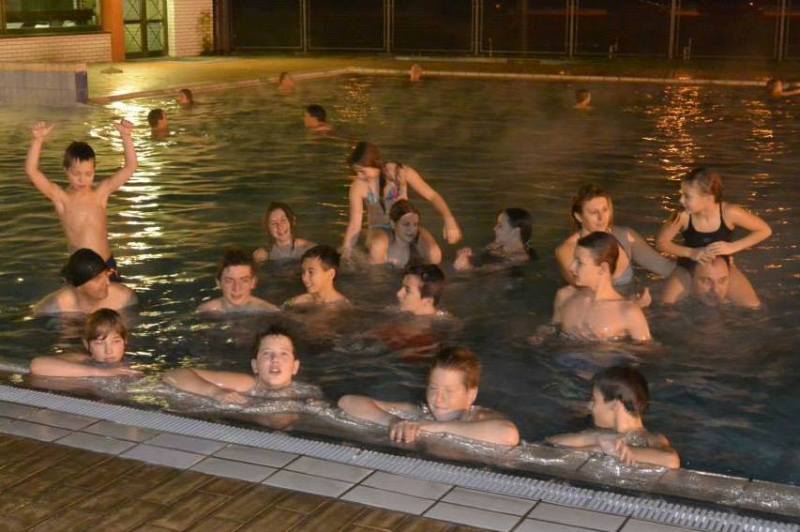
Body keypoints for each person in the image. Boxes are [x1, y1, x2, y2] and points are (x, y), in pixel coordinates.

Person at [338, 346, 519, 446]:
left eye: (449, 391)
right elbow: (347, 402)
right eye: (433, 388)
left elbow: (508, 435)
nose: (438, 399)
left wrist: (434, 427)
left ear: (471, 394)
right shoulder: (418, 413)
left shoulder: (478, 418)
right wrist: (394, 422)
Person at [24, 120, 137, 272]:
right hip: (79, 270)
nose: (82, 179)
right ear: (66, 170)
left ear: (94, 171)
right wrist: (37, 140)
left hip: (105, 265)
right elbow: (32, 171)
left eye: (88, 174)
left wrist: (126, 136)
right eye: (76, 174)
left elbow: (130, 167)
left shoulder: (100, 194)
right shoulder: (62, 198)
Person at [656, 168, 770, 308]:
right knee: (666, 308)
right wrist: (692, 253)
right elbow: (661, 243)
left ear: (708, 198)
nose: (681, 200)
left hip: (722, 269)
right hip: (688, 267)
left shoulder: (729, 213)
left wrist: (733, 247)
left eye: (687, 196)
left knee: (753, 306)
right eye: (682, 195)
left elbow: (764, 230)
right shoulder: (682, 216)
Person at [342, 142, 462, 258]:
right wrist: (346, 250)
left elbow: (432, 196)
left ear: (375, 164)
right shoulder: (357, 187)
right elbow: (355, 224)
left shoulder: (401, 173)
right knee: (377, 246)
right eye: (356, 172)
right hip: (380, 228)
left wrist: (449, 219)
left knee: (434, 253)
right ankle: (377, 271)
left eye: (362, 171)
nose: (359, 176)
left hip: (406, 225)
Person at [547, 366, 680, 469]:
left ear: (615, 405)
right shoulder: (601, 434)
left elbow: (671, 460)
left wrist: (618, 451)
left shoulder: (648, 438)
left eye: (594, 400)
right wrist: (596, 441)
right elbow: (549, 444)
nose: (589, 406)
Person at [163, 325, 321, 404]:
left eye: (283, 354)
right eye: (267, 353)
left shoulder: (308, 395)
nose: (275, 359)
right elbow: (173, 375)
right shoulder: (246, 385)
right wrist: (216, 392)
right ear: (255, 366)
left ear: (295, 367)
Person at [556, 184, 674, 288]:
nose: (601, 218)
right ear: (579, 217)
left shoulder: (626, 236)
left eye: (605, 210)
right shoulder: (567, 250)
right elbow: (583, 291)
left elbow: (665, 267)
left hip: (629, 301)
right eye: (594, 212)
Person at [553, 232, 651, 341]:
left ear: (602, 268)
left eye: (579, 262)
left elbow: (645, 349)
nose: (571, 267)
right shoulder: (565, 297)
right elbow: (551, 332)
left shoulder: (628, 313)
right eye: (574, 260)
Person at [30, 308, 142, 378]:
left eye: (115, 341)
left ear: (125, 341)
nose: (109, 351)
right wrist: (102, 372)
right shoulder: (83, 360)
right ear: (87, 345)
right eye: (99, 343)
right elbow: (37, 365)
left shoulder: (137, 364)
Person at [33, 249, 137, 316]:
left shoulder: (124, 298)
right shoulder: (54, 307)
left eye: (106, 275)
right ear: (78, 285)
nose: (107, 282)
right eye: (97, 279)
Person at [197, 248, 279, 314]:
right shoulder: (205, 311)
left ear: (253, 282)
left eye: (244, 280)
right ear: (219, 283)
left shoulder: (270, 311)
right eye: (229, 281)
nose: (236, 288)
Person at [454, 208, 536, 271]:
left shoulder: (521, 257)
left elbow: (493, 270)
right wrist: (467, 253)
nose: (494, 228)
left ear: (515, 232)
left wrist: (467, 268)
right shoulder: (496, 245)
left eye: (500, 226)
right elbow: (480, 255)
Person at [370, 200, 441, 267]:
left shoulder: (422, 249)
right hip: (380, 232)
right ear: (393, 224)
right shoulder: (380, 246)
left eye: (415, 224)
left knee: (434, 256)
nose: (412, 229)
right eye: (406, 224)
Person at [283, 245, 349, 309]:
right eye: (303, 272)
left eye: (311, 272)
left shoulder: (341, 307)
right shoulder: (303, 299)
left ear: (331, 274)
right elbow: (284, 306)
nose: (304, 278)